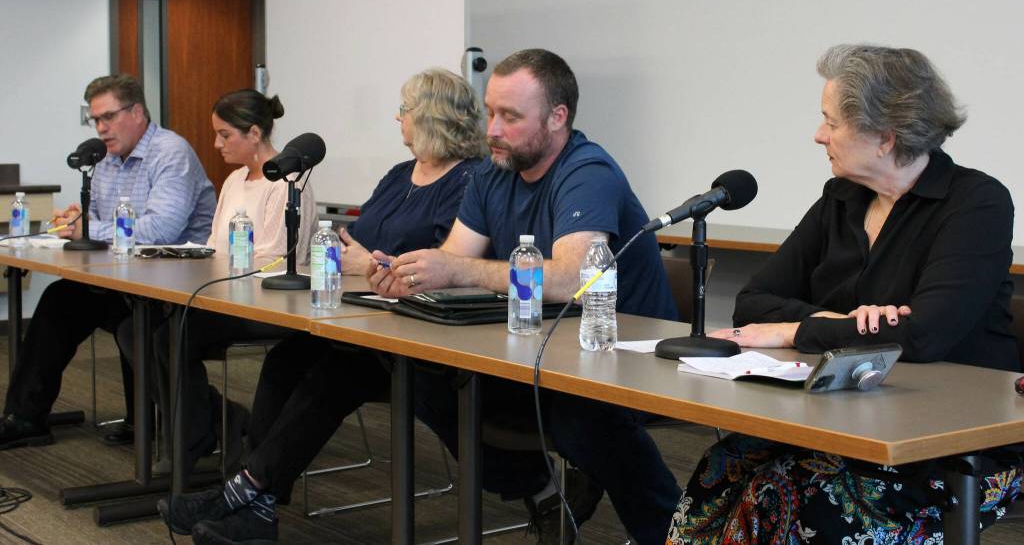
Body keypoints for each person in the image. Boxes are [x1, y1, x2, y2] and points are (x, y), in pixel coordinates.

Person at [667, 44, 1021, 544]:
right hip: (845, 419)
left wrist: (796, 328)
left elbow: (923, 336)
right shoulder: (842, 197)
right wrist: (850, 319)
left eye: (831, 122)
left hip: (951, 442)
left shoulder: (976, 203)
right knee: (720, 467)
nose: (818, 135)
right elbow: (753, 303)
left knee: (794, 499)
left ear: (883, 137)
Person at [157, 68, 487, 545]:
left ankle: (242, 494)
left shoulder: (469, 181)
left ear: (432, 117)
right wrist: (369, 260)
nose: (398, 118)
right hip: (366, 313)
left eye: (405, 110)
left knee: (334, 374)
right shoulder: (400, 175)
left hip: (419, 334)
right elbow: (359, 238)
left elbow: (437, 263)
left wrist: (368, 260)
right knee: (286, 359)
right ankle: (257, 503)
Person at [370, 49, 681, 545]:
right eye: (490, 111)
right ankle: (539, 491)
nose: (491, 129)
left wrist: (454, 268)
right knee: (424, 380)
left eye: (510, 117)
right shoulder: (494, 173)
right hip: (544, 352)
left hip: (622, 357)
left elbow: (573, 278)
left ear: (557, 118)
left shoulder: (587, 170)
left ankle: (670, 532)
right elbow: (454, 264)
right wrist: (409, 274)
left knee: (579, 415)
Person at [0, 73, 216, 450]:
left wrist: (90, 227)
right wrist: (77, 221)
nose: (100, 128)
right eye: (94, 120)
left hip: (178, 283)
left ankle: (177, 420)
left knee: (134, 321)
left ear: (136, 112)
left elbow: (160, 230)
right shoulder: (105, 160)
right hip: (126, 277)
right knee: (59, 300)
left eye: (108, 117)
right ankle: (24, 416)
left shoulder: (170, 152)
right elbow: (98, 219)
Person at [116, 89, 317, 473]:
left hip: (264, 303)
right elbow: (214, 246)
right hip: (221, 295)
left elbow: (274, 260)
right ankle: (216, 420)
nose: (216, 143)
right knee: (132, 331)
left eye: (225, 135)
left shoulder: (288, 183)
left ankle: (191, 442)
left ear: (254, 133)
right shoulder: (233, 181)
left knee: (169, 337)